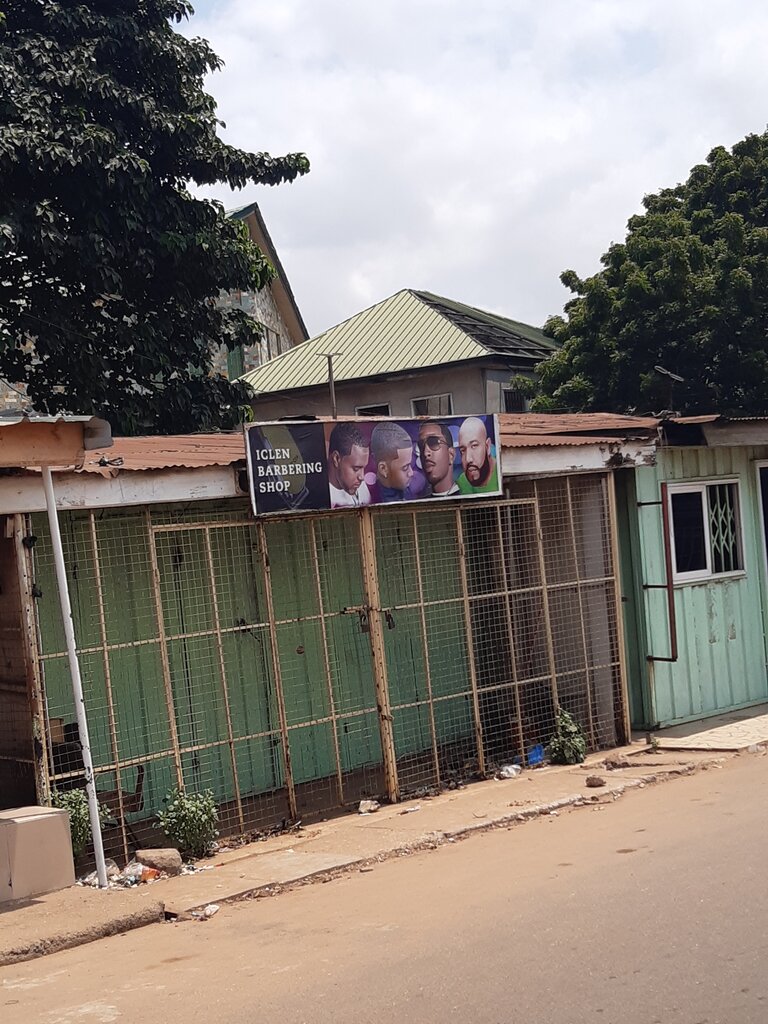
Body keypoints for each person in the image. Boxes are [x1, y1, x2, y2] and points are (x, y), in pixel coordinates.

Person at [368, 422, 416, 502]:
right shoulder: (374, 501)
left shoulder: (406, 491)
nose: (411, 473)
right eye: (405, 468)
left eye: (410, 465)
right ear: (383, 469)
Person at [327, 422, 372, 508]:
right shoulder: (320, 499)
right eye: (356, 469)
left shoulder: (360, 485)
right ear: (336, 459)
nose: (362, 477)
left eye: (363, 468)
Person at [457, 416, 499, 494]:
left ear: (487, 446)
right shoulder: (462, 482)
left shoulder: (500, 473)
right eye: (463, 450)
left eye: (474, 446)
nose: (468, 459)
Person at [417, 420, 459, 497]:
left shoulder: (468, 499)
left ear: (451, 455)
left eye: (433, 442)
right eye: (421, 445)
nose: (426, 453)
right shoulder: (420, 506)